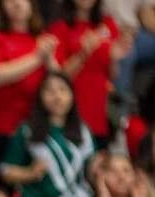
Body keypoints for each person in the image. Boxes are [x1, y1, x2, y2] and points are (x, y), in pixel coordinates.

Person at [0, 0, 56, 184]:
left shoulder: (43, 39)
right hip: (3, 126)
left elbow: (59, 81)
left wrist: (49, 59)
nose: (17, 3)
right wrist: (37, 57)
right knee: (4, 185)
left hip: (38, 127)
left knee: (38, 185)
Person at [49, 0, 129, 142]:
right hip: (73, 102)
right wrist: (83, 53)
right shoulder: (60, 27)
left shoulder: (108, 23)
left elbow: (113, 75)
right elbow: (60, 77)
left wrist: (114, 59)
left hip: (99, 104)